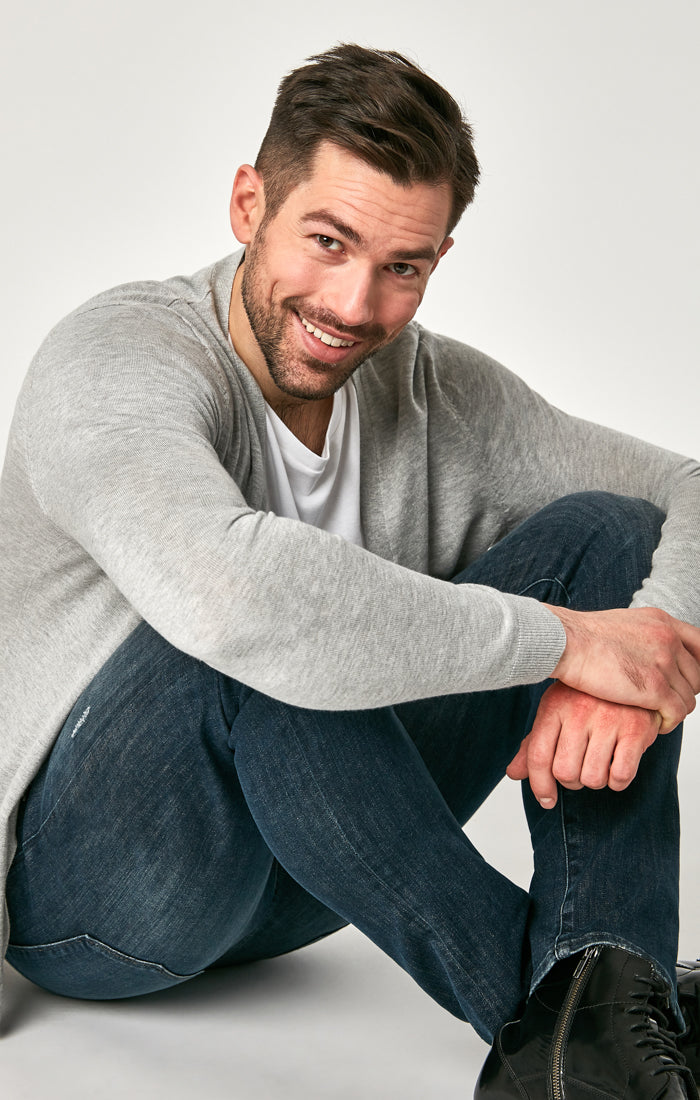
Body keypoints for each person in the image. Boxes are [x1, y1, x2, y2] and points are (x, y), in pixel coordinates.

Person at [1, 42, 699, 1098]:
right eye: (326, 241)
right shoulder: (116, 358)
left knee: (610, 531)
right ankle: (584, 1026)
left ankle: (604, 989)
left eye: (401, 266)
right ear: (250, 204)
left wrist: (646, 645)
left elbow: (686, 488)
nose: (352, 301)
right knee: (259, 636)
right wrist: (569, 644)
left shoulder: (436, 393)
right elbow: (237, 601)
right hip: (94, 900)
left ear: (438, 258)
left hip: (318, 871)